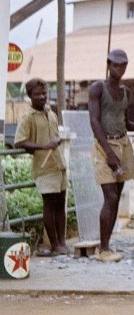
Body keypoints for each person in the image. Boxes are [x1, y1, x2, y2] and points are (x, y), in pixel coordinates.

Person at [89, 48, 134, 262]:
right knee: (110, 196)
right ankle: (102, 249)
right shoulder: (97, 88)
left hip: (123, 144)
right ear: (108, 65)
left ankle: (108, 246)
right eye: (116, 64)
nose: (120, 68)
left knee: (117, 195)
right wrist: (108, 153)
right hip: (104, 145)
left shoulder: (126, 92)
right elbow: (94, 121)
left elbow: (128, 122)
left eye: (123, 65)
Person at [14, 78, 69, 255]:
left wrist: (57, 141)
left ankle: (62, 242)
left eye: (44, 93)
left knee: (61, 203)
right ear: (30, 96)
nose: (42, 97)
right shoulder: (27, 117)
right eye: (37, 94)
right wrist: (43, 147)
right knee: (49, 204)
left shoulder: (50, 112)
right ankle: (54, 244)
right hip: (44, 167)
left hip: (59, 164)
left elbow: (54, 136)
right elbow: (19, 142)